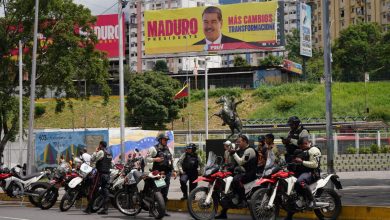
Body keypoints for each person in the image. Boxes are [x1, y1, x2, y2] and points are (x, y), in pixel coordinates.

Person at [215, 135, 257, 219]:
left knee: (235, 180)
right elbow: (235, 163)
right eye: (237, 141)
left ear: (245, 141)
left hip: (249, 173)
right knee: (227, 184)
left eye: (240, 141)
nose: (238, 143)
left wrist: (234, 153)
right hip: (240, 172)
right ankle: (224, 212)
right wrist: (227, 169)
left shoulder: (250, 150)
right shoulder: (240, 150)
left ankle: (242, 200)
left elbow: (241, 162)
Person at [285, 137, 321, 220]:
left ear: (305, 143)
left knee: (300, 182)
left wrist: (302, 162)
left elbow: (315, 164)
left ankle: (312, 200)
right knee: (292, 194)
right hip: (301, 173)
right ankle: (289, 215)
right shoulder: (302, 151)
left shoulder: (314, 150)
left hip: (312, 173)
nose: (300, 148)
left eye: (301, 146)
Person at [145, 132, 176, 216]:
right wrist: (155, 159)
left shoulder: (169, 149)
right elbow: (146, 159)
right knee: (157, 192)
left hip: (167, 173)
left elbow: (172, 160)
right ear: (160, 140)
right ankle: (152, 211)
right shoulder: (153, 149)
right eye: (164, 139)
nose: (166, 141)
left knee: (164, 193)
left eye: (166, 140)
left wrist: (174, 171)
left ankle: (163, 210)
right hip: (158, 174)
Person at [84, 141, 112, 215]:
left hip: (100, 174)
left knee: (93, 190)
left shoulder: (101, 152)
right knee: (105, 191)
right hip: (107, 174)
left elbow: (92, 159)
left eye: (99, 144)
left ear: (100, 145)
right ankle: (105, 209)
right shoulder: (109, 154)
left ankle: (89, 209)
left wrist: (95, 152)